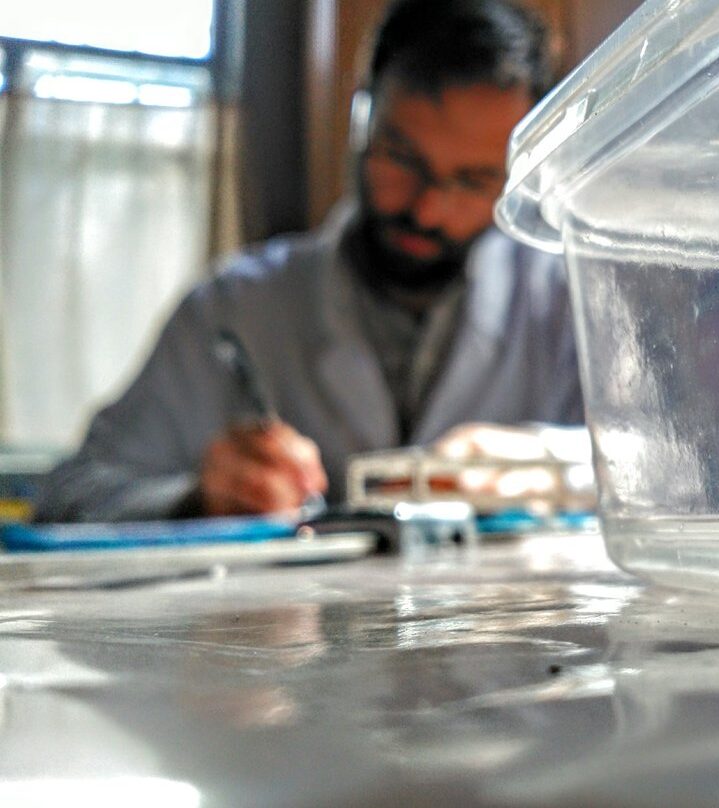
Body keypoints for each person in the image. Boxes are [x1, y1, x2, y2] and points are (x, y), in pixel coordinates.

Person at [34, 0, 583, 522]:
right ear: (360, 121)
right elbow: (70, 496)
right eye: (403, 158)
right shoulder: (237, 306)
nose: (427, 208)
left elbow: (657, 474)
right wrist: (196, 498)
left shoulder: (566, 304)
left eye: (472, 181)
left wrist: (548, 465)